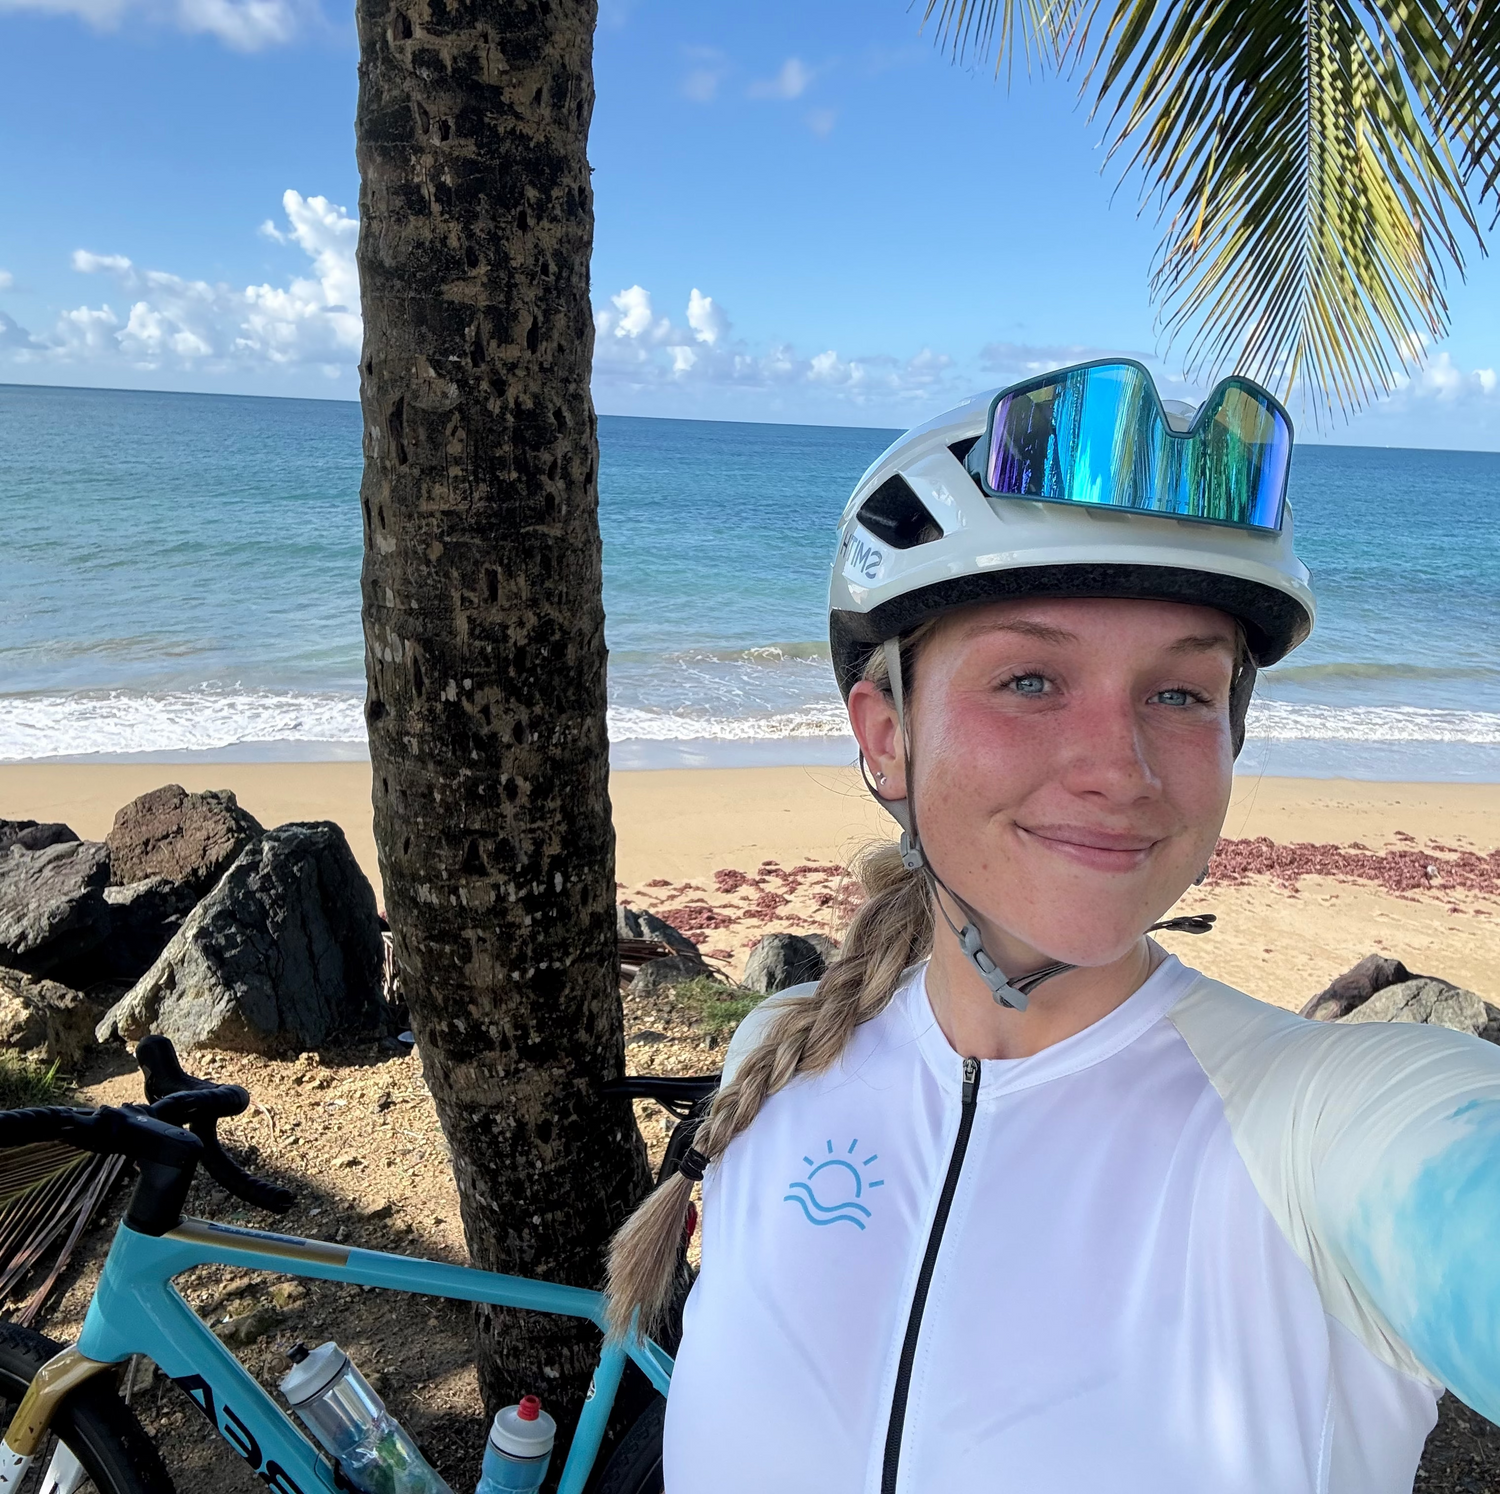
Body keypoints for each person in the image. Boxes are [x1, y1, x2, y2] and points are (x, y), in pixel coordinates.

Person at [606, 360, 1500, 1492]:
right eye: (1030, 679)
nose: (1118, 770)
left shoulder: (1312, 1129)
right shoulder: (777, 1055)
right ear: (885, 735)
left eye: (1180, 694)